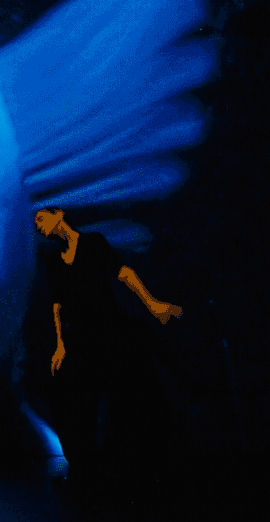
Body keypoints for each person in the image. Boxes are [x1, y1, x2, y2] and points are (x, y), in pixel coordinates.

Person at [34, 206, 182, 481]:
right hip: (79, 338)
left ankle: (143, 457)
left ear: (59, 215)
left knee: (131, 393)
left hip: (110, 330)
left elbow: (123, 273)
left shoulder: (93, 243)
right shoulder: (54, 260)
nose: (40, 226)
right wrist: (60, 345)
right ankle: (84, 463)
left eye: (42, 219)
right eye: (37, 224)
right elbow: (58, 306)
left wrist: (153, 304)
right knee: (77, 400)